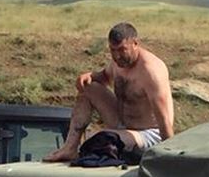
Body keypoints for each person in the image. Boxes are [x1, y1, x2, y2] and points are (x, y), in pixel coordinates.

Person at [44, 22, 174, 162]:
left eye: (122, 50)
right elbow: (104, 77)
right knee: (89, 88)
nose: (117, 56)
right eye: (113, 50)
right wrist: (89, 76)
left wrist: (170, 154)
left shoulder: (151, 71)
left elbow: (164, 118)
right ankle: (69, 148)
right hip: (122, 123)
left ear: (135, 43)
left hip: (148, 133)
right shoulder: (118, 63)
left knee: (101, 140)